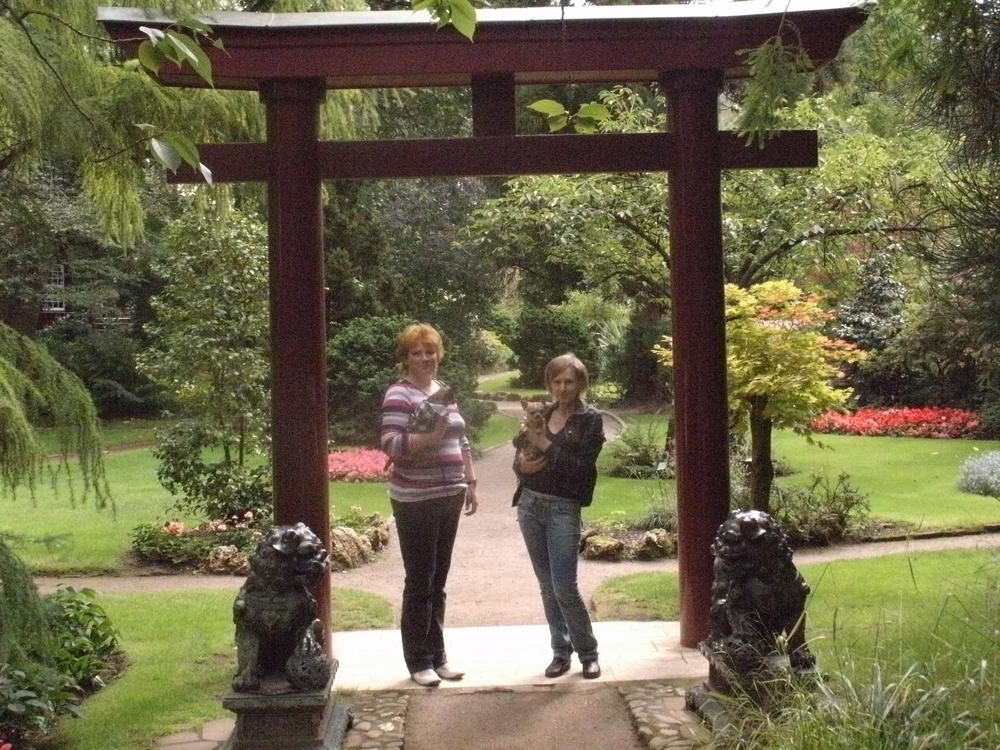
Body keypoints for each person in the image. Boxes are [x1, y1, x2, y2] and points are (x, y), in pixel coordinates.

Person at [379, 323, 478, 687]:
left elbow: (461, 440)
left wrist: (471, 481)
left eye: (430, 351)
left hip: (450, 493)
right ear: (405, 358)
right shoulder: (399, 394)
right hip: (415, 498)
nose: (425, 358)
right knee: (420, 580)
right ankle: (418, 661)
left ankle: (438, 657)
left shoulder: (442, 391)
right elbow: (390, 443)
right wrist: (429, 437)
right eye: (416, 352)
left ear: (439, 354)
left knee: (438, 580)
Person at [513, 352, 605, 680]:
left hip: (564, 509)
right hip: (530, 506)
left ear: (580, 384)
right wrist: (522, 466)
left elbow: (581, 469)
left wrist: (544, 444)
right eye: (557, 381)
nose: (563, 388)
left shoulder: (590, 420)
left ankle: (588, 653)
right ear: (549, 384)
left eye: (569, 381)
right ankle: (560, 652)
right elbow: (519, 457)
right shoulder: (543, 413)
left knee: (565, 587)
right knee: (547, 587)